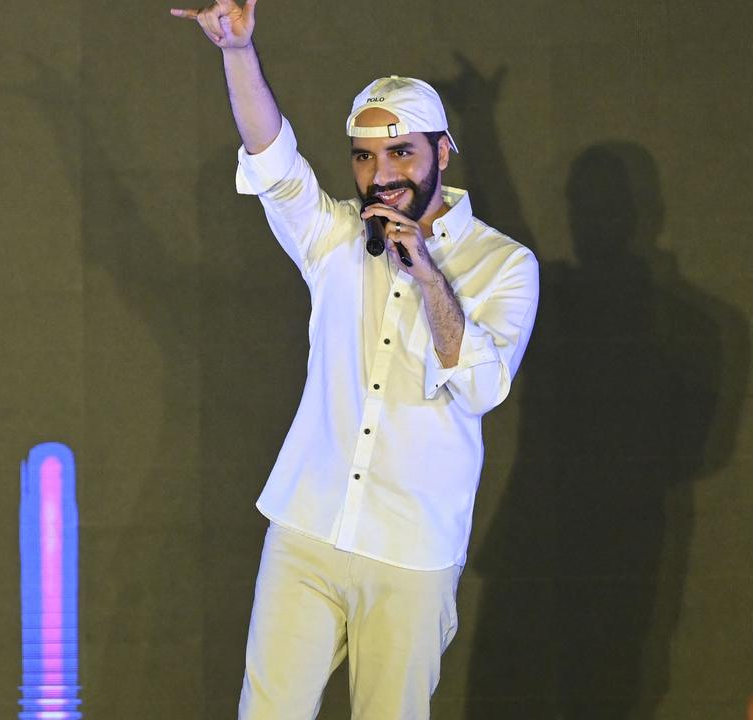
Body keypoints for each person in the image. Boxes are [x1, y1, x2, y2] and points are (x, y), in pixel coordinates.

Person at [170, 2, 540, 718]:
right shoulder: (335, 237)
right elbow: (274, 162)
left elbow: (483, 388)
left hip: (411, 552)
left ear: (443, 150)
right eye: (366, 156)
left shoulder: (504, 265)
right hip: (307, 528)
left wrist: (428, 273)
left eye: (402, 152)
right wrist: (238, 52)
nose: (382, 173)